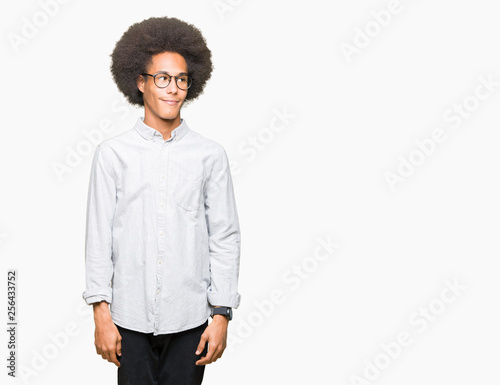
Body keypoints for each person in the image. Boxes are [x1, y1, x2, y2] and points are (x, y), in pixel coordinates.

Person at [81, 16, 241, 385]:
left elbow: (224, 237)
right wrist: (101, 316)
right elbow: (98, 239)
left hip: (190, 321)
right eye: (163, 78)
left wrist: (221, 314)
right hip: (128, 319)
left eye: (182, 79)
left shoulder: (210, 155)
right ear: (140, 82)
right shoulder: (112, 154)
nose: (173, 88)